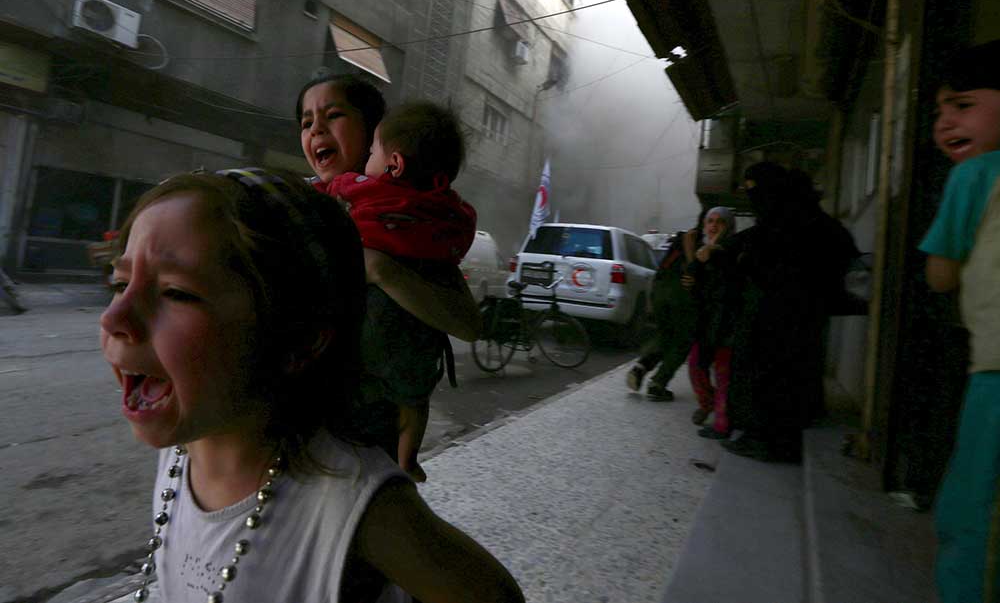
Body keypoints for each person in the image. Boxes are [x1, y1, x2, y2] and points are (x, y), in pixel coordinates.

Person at [100, 168, 524, 603]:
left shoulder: (354, 505)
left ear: (297, 341)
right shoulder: (180, 452)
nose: (114, 319)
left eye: (176, 292)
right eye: (118, 283)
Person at [297, 73, 480, 480]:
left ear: (373, 133)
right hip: (296, 435)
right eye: (306, 122)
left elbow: (468, 324)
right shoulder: (298, 205)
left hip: (366, 454)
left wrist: (382, 270)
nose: (316, 130)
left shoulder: (408, 221)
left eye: (333, 115)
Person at [919, 40, 1000, 603]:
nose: (946, 121)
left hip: (996, 371)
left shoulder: (974, 177)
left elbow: (940, 277)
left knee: (972, 511)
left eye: (963, 105)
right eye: (940, 112)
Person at [723, 162, 857, 462]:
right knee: (789, 373)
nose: (752, 198)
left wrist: (747, 262)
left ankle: (767, 439)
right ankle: (773, 436)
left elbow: (775, 263)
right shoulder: (806, 216)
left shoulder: (788, 219)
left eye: (753, 190)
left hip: (781, 313)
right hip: (797, 313)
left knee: (771, 375)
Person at [625, 228, 698, 401]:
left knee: (666, 335)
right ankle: (658, 383)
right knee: (682, 341)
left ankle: (641, 367)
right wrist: (693, 267)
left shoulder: (679, 240)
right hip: (680, 293)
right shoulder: (701, 238)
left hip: (660, 289)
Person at [685, 206, 737, 439]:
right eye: (710, 221)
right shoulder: (703, 252)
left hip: (726, 325)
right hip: (706, 324)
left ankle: (722, 424)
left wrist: (714, 252)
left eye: (720, 222)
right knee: (696, 366)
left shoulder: (731, 251)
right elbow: (693, 284)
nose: (714, 226)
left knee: (723, 374)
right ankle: (709, 404)